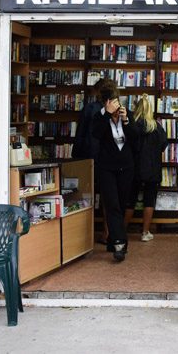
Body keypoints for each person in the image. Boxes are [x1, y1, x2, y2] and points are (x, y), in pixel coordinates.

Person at [92, 85, 138, 262]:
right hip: (107, 167)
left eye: (118, 103)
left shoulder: (127, 116)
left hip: (126, 167)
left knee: (121, 202)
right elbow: (96, 134)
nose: (116, 108)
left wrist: (126, 121)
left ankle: (113, 240)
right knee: (112, 205)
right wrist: (106, 115)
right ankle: (120, 243)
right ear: (107, 103)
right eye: (113, 104)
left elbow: (135, 139)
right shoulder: (99, 117)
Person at [71, 78, 117, 245]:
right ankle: (108, 232)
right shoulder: (116, 110)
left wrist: (75, 156)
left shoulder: (90, 109)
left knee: (84, 194)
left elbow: (81, 134)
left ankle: (82, 233)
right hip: (110, 159)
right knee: (108, 197)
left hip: (89, 157)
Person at [124, 94, 167, 243]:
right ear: (150, 109)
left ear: (136, 109)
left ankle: (122, 231)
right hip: (152, 169)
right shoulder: (157, 127)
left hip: (134, 168)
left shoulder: (131, 126)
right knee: (149, 200)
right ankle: (145, 232)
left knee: (130, 200)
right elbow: (163, 146)